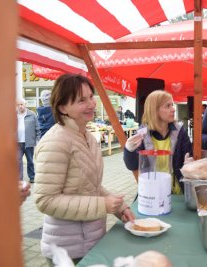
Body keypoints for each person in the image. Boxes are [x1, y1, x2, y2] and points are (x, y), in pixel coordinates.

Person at [33, 74, 135, 265]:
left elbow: (90, 185)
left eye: (91, 97)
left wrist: (120, 208)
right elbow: (45, 200)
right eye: (81, 100)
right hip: (67, 250)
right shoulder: (55, 141)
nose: (91, 104)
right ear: (63, 107)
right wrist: (102, 205)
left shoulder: (86, 136)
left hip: (91, 241)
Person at [123, 90, 192, 194]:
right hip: (152, 192)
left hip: (178, 192)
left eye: (172, 105)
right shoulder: (142, 134)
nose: (173, 109)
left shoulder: (180, 131)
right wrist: (128, 149)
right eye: (167, 106)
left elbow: (188, 158)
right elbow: (132, 165)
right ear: (154, 111)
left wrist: (189, 164)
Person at [17, 98, 40, 183]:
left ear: (25, 104)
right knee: (18, 161)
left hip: (29, 142)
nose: (20, 106)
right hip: (18, 143)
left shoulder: (32, 114)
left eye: (21, 104)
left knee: (30, 161)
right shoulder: (14, 115)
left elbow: (37, 128)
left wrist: (38, 141)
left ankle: (32, 177)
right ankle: (19, 179)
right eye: (18, 105)